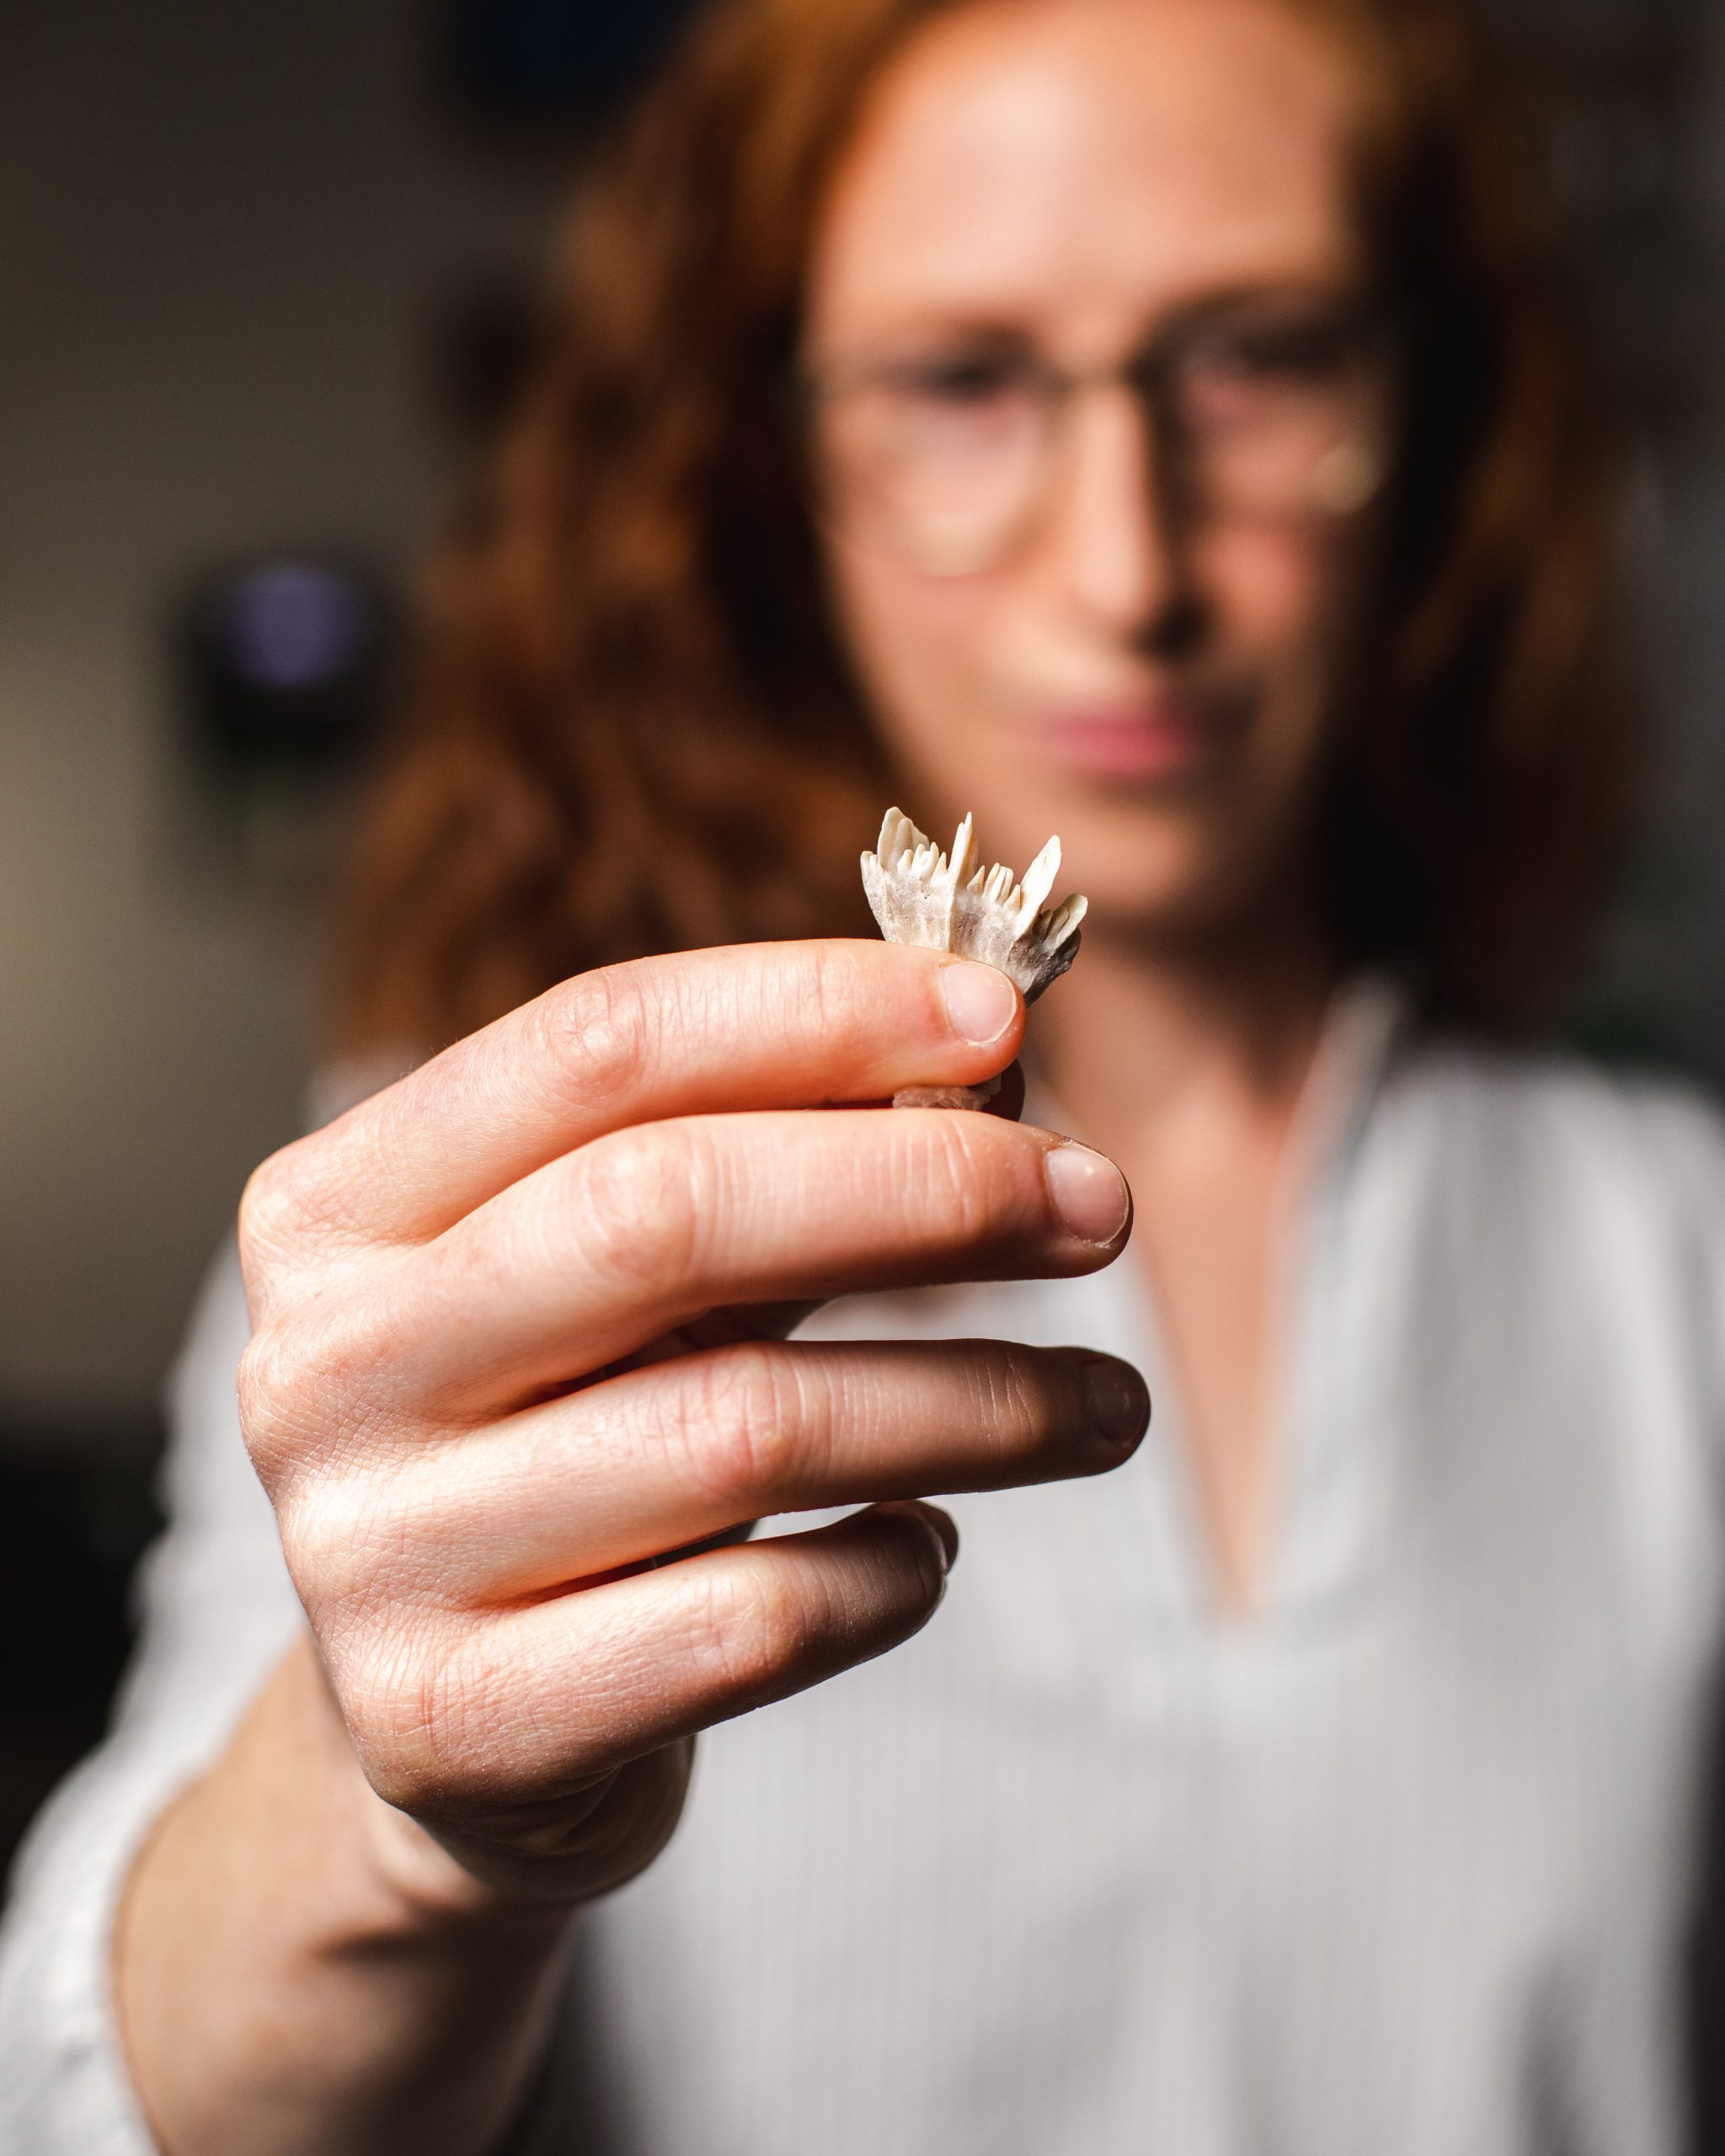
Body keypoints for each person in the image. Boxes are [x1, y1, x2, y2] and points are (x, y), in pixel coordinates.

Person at [3, 0, 1717, 2148]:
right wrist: (390, 1803)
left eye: (1257, 355)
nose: (1129, 572)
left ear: (1433, 411)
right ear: (768, 459)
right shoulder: (465, 1244)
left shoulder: (1680, 1254)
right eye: (960, 380)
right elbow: (88, 2097)